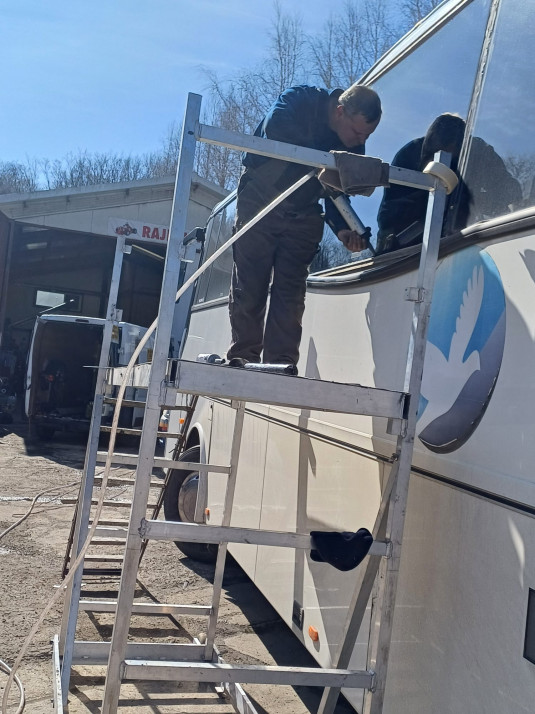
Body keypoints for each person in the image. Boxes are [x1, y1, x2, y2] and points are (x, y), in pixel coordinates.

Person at [227, 84, 382, 368]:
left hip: (304, 211)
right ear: (339, 112)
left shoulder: (353, 144)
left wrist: (343, 229)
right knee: (250, 284)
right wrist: (325, 157)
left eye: (367, 136)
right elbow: (276, 128)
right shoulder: (299, 100)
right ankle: (244, 358)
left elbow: (336, 190)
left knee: (291, 292)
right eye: (357, 132)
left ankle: (280, 363)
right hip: (261, 200)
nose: (360, 141)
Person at [376, 113, 521, 254]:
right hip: (410, 249)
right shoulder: (409, 155)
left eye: (451, 157)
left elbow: (509, 191)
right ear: (427, 148)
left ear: (462, 147)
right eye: (435, 156)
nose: (442, 163)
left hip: (465, 241)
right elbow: (388, 215)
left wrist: (475, 198)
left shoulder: (478, 152)